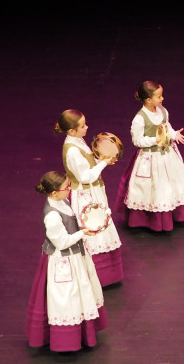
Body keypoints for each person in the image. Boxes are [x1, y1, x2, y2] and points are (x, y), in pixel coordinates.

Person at [26, 171, 108, 352]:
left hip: (75, 257)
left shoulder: (64, 201)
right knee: (66, 300)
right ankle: (66, 340)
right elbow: (61, 242)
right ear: (54, 192)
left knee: (79, 295)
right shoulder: (52, 215)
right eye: (66, 187)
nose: (69, 189)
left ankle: (82, 334)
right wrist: (83, 233)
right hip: (63, 261)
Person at [115, 81, 184, 231]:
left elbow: (167, 127)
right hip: (151, 159)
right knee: (155, 188)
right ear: (148, 100)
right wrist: (155, 140)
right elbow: (137, 140)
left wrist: (174, 134)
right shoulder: (139, 119)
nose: (162, 99)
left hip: (167, 156)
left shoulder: (162, 111)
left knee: (170, 185)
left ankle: (174, 213)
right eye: (159, 96)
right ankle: (154, 220)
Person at [56, 109, 123, 286]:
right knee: (93, 228)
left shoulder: (78, 140)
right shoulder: (71, 151)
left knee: (102, 225)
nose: (87, 127)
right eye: (83, 125)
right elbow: (85, 177)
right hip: (85, 196)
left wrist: (101, 157)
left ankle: (109, 276)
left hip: (93, 192)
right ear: (71, 131)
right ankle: (97, 277)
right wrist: (103, 163)